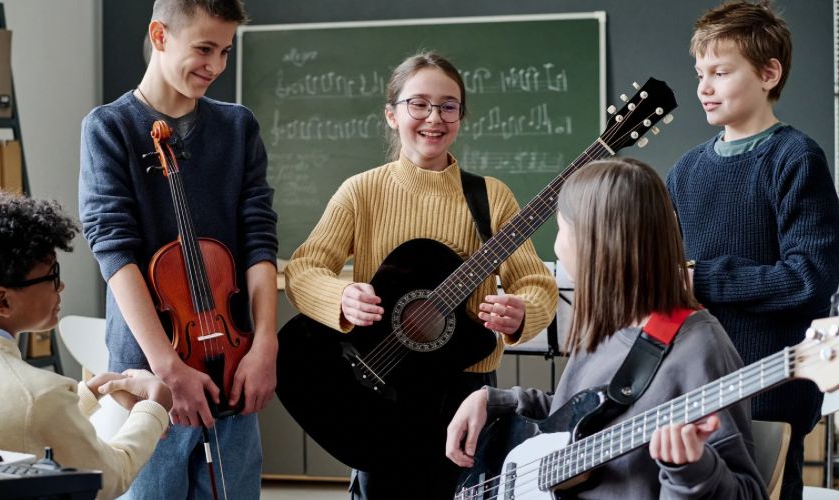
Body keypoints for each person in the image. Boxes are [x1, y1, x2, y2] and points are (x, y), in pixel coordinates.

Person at [284, 51, 558, 500]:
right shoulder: (361, 191)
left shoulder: (492, 197)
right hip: (381, 388)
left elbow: (535, 282)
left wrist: (524, 310)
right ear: (392, 115)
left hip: (466, 392)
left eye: (449, 106)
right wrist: (341, 297)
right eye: (419, 104)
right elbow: (305, 268)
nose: (434, 117)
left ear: (461, 117)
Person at [446, 158, 768, 499]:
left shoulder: (701, 349)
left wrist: (692, 470)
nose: (556, 246)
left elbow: (748, 493)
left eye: (561, 229)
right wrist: (494, 400)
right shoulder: (609, 324)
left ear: (594, 242)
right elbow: (575, 419)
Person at [78, 0, 278, 497]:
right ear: (160, 35)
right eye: (204, 48)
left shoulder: (237, 127)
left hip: (233, 363)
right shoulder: (109, 127)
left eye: (225, 52)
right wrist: (168, 368)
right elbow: (113, 250)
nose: (215, 66)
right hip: (148, 379)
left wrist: (266, 343)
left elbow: (259, 239)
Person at [667, 2, 839, 498]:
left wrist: (703, 279)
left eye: (720, 72)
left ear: (768, 73)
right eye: (700, 73)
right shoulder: (685, 170)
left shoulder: (795, 157)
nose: (704, 86)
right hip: (692, 387)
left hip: (770, 389)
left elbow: (810, 278)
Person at [0, 185, 173, 500]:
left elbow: (18, 423)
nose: (61, 285)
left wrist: (83, 397)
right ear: (3, 302)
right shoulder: (39, 393)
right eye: (52, 275)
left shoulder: (32, 395)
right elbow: (110, 477)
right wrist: (154, 407)